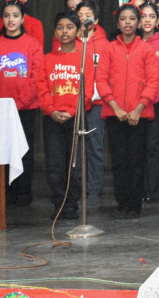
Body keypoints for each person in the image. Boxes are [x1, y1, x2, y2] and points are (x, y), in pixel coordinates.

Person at [96, 3, 159, 219]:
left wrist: (138, 108)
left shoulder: (146, 49)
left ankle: (134, 204)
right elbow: (101, 80)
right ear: (117, 23)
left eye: (132, 19)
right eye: (123, 19)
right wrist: (115, 107)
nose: (128, 23)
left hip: (139, 115)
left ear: (138, 23)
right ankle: (122, 203)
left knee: (137, 160)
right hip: (115, 114)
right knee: (119, 161)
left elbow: (153, 81)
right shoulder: (109, 49)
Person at [0, 0, 43, 206]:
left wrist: (18, 103)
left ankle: (23, 193)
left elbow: (36, 78)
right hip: (0, 110)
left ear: (23, 18)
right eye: (6, 16)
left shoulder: (32, 45)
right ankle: (5, 192)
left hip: (25, 109)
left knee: (25, 152)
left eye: (15, 16)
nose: (11, 20)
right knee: (3, 151)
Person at [36, 12, 95, 220]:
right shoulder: (48, 59)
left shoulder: (84, 58)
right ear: (55, 32)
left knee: (75, 164)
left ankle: (72, 205)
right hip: (52, 118)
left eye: (69, 27)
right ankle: (59, 204)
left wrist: (71, 112)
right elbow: (42, 88)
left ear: (78, 31)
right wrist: (51, 110)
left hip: (76, 119)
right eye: (60, 27)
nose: (64, 31)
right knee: (55, 164)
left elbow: (87, 91)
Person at [75, 0, 109, 206]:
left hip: (97, 104)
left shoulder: (104, 45)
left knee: (95, 147)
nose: (83, 18)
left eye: (87, 15)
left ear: (95, 21)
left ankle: (94, 189)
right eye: (79, 15)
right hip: (74, 104)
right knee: (76, 148)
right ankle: (77, 188)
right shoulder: (70, 44)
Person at [139, 2, 159, 204]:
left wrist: (150, 99)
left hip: (154, 103)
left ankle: (154, 189)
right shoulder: (133, 42)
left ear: (158, 20)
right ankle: (139, 188)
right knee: (138, 148)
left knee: (154, 146)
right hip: (134, 106)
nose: (147, 20)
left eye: (152, 16)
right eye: (143, 16)